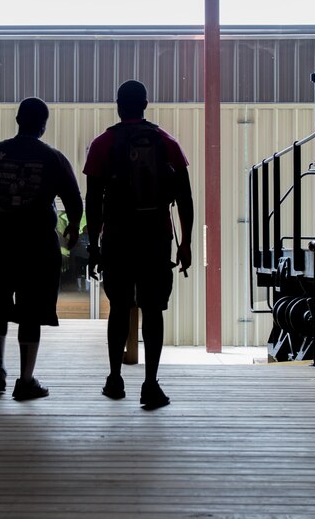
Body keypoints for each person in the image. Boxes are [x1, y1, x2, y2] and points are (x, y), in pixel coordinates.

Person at [0, 97, 82, 401]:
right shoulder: (53, 158)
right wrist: (73, 228)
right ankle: (25, 380)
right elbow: (75, 200)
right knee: (31, 311)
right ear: (42, 125)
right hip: (37, 246)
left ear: (17, 120)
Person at [83, 80, 193, 410]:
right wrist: (185, 244)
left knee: (119, 308)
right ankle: (151, 384)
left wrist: (94, 247)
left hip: (117, 238)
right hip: (155, 238)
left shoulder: (103, 143)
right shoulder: (166, 142)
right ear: (146, 105)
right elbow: (184, 199)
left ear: (118, 106)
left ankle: (115, 379)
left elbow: (92, 200)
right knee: (153, 309)